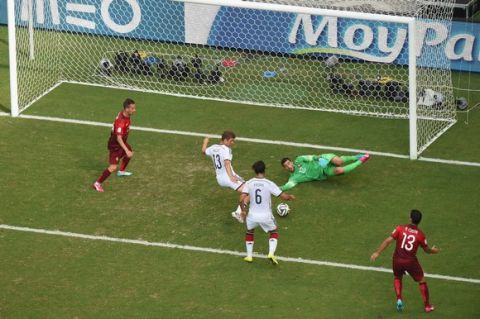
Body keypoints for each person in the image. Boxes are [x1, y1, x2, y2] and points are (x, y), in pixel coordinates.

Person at [370, 209, 440, 313]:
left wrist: (377, 252)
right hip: (411, 262)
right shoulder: (420, 235)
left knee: (398, 277)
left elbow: (388, 240)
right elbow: (426, 250)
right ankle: (427, 306)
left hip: (397, 260)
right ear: (419, 221)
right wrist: (433, 251)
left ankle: (399, 299)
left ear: (410, 218)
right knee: (421, 280)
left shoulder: (400, 229)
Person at [239, 161, 295, 265]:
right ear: (264, 170)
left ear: (254, 170)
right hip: (266, 216)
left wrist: (242, 211)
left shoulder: (249, 183)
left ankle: (249, 256)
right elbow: (283, 196)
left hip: (252, 216)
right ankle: (271, 253)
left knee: (250, 231)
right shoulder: (269, 184)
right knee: (274, 231)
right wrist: (290, 197)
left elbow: (242, 198)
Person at [93, 98, 136, 192]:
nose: (134, 110)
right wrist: (126, 150)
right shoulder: (121, 122)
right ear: (126, 109)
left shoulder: (125, 114)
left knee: (130, 153)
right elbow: (118, 138)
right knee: (113, 167)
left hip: (121, 143)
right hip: (115, 146)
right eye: (132, 108)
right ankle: (97, 183)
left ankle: (121, 171)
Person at [202, 131, 245, 223]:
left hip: (219, 178)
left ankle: (241, 210)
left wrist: (205, 141)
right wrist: (231, 177)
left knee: (248, 187)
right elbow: (227, 164)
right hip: (227, 177)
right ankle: (238, 212)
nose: (232, 143)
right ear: (225, 140)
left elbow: (203, 151)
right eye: (231, 141)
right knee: (248, 190)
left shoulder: (213, 147)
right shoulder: (226, 149)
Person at [279, 153, 370, 191]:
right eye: (286, 166)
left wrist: (319, 158)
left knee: (339, 162)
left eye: (288, 163)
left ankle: (355, 157)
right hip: (324, 172)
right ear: (285, 169)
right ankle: (361, 161)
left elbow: (311, 157)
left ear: (291, 161)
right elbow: (287, 186)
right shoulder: (294, 178)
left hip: (321, 160)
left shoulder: (299, 160)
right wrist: (272, 189)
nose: (289, 166)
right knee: (339, 170)